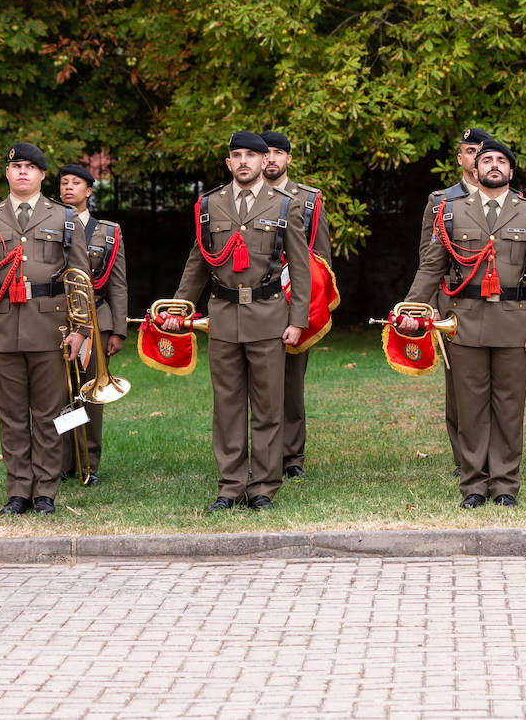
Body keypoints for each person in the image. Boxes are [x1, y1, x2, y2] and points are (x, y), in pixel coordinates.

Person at [400, 138, 526, 508]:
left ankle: (504, 485)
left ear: (511, 171)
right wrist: (411, 308)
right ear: (475, 168)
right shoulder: (450, 212)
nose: (494, 166)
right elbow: (431, 267)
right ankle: (473, 485)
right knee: (469, 407)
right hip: (463, 322)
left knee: (508, 407)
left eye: (502, 160)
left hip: (514, 323)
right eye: (487, 160)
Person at [160, 131, 311, 512]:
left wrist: (298, 319)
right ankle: (230, 486)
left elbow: (302, 267)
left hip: (269, 317)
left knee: (267, 407)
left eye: (251, 155)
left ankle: (262, 487)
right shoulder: (210, 205)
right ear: (228, 163)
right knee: (227, 408)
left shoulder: (285, 205)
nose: (244, 161)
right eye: (236, 155)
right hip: (224, 318)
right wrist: (179, 307)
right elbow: (198, 261)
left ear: (264, 162)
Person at [0, 142, 89, 516]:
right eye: (16, 166)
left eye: (30, 167)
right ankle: (18, 490)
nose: (22, 172)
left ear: (42, 175)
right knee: (12, 415)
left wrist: (80, 329)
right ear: (7, 172)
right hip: (1, 328)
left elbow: (81, 280)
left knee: (51, 413)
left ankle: (45, 490)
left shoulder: (64, 217)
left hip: (52, 329)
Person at [260, 131, 332, 479]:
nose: (271, 158)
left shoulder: (308, 198)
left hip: (293, 300)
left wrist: (308, 309)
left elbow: (319, 260)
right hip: (255, 300)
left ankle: (291, 457)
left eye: (278, 153)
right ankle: (262, 453)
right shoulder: (245, 198)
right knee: (257, 383)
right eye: (266, 153)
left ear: (288, 159)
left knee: (290, 384)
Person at [418, 127, 489, 476]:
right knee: (459, 388)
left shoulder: (512, 199)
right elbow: (428, 258)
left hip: (498, 306)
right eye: (469, 150)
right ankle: (464, 459)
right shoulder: (440, 201)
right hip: (454, 304)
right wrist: (430, 305)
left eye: (481, 150)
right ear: (460, 158)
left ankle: (493, 455)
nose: (475, 156)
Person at [57, 162, 127, 486]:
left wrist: (118, 331)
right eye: (64, 183)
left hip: (96, 321)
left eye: (76, 183)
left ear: (88, 190)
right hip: (57, 320)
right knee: (60, 393)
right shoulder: (50, 225)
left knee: (90, 394)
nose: (68, 187)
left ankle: (89, 463)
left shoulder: (107, 231)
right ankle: (62, 461)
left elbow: (118, 284)